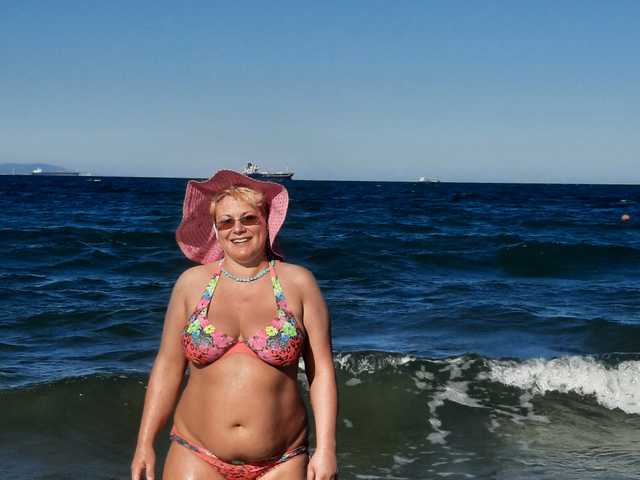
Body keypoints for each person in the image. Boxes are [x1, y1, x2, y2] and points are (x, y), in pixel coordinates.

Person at [131, 170, 338, 480]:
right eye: (226, 222)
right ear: (216, 231)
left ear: (266, 222)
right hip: (195, 454)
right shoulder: (191, 284)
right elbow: (168, 366)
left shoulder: (298, 283)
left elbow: (321, 371)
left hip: (283, 461)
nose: (238, 229)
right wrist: (144, 443)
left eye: (248, 219)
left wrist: (326, 449)